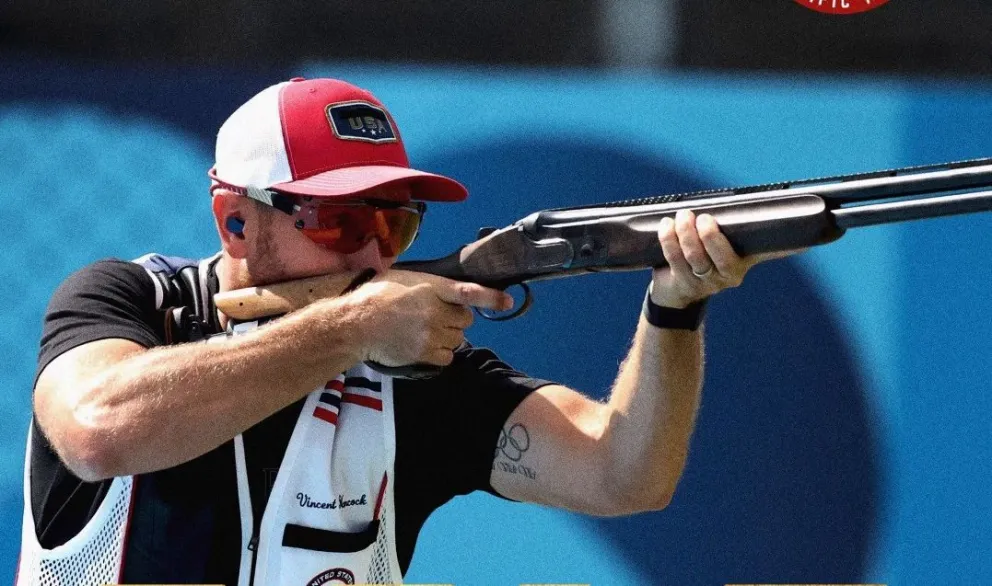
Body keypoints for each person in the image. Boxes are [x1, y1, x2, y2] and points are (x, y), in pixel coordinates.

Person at [17, 77, 782, 585]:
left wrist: (675, 307)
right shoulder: (129, 301)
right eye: (343, 219)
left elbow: (625, 474)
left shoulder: (411, 375)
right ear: (236, 221)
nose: (374, 251)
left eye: (396, 220)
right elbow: (99, 429)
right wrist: (350, 328)